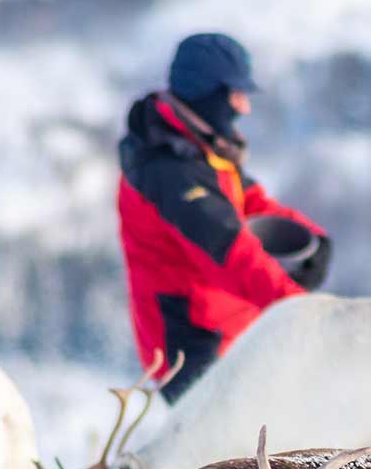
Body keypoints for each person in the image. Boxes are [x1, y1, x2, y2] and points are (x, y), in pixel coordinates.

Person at [116, 33, 329, 402]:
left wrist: (313, 238)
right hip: (191, 346)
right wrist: (304, 311)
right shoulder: (169, 170)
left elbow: (246, 200)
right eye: (236, 94)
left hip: (230, 328)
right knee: (230, 457)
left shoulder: (197, 141)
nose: (244, 107)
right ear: (206, 93)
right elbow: (229, 251)